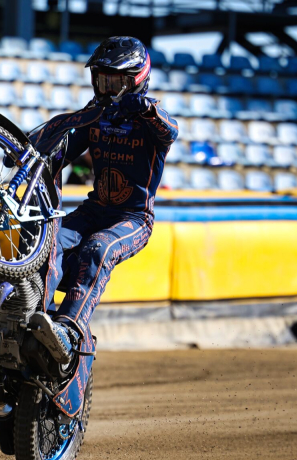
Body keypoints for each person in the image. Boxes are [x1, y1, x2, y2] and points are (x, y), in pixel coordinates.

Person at [27, 36, 179, 363]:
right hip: (94, 209)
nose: (106, 89)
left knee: (99, 247)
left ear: (135, 80)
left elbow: (171, 131)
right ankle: (32, 318)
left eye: (115, 81)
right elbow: (64, 149)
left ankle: (68, 330)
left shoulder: (152, 120)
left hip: (133, 219)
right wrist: (31, 158)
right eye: (101, 80)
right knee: (45, 239)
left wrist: (147, 110)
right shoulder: (95, 114)